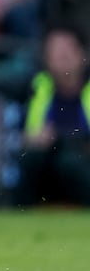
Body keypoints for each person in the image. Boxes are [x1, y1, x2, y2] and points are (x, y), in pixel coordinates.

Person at [15, 22, 90, 206]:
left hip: (83, 165)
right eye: (55, 51)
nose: (62, 57)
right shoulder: (35, 87)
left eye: (67, 50)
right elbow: (18, 136)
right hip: (44, 165)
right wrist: (34, 139)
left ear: (83, 55)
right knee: (31, 159)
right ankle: (21, 212)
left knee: (70, 163)